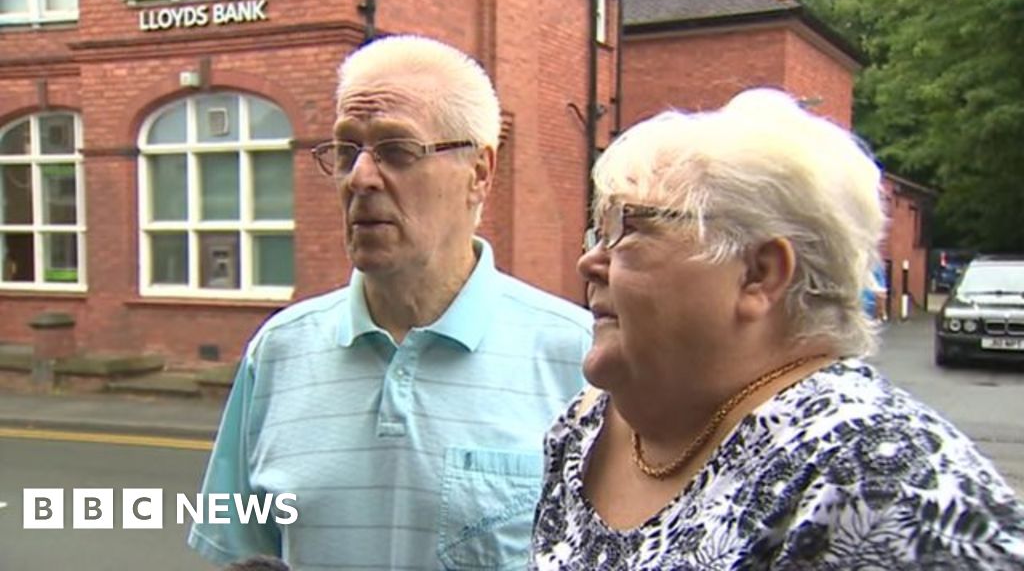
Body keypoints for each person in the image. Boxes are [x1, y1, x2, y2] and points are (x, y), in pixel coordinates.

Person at [531, 89, 1024, 569]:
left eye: (631, 229)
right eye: (600, 230)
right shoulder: (588, 424)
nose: (588, 261)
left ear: (759, 274)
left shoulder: (886, 477)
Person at [189, 34, 591, 570]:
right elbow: (243, 553)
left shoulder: (580, 359)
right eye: (347, 149)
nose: (360, 177)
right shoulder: (278, 352)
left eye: (397, 151)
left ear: (480, 173)